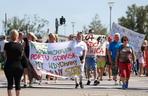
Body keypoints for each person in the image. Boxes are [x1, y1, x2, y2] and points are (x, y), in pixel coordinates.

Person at [4, 29, 27, 96]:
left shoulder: (6, 45)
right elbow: (21, 56)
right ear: (17, 36)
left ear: (10, 36)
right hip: (18, 66)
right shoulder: (20, 46)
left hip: (8, 65)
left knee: (10, 84)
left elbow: (5, 56)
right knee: (18, 84)